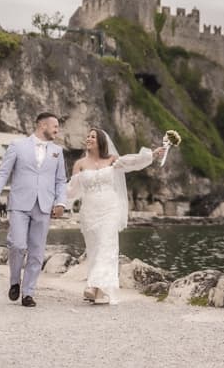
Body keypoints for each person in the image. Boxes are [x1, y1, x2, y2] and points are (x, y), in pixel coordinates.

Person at [66, 128, 164, 305]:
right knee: (95, 249)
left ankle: (92, 286)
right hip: (89, 211)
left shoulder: (112, 160)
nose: (88, 138)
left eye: (93, 136)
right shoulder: (79, 164)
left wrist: (151, 155)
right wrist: (56, 199)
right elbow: (71, 190)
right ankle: (99, 291)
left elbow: (131, 161)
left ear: (101, 141)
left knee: (106, 246)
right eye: (87, 136)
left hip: (110, 209)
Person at [0, 112, 68, 308]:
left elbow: (61, 181)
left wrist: (60, 203)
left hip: (44, 206)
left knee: (37, 251)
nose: (57, 130)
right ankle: (15, 281)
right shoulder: (18, 145)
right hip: (19, 205)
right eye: (55, 126)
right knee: (17, 245)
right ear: (42, 125)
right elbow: (3, 172)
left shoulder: (58, 151)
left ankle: (28, 293)